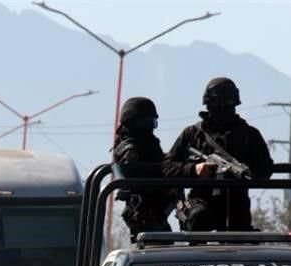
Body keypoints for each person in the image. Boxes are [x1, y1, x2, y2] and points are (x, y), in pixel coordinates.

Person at [163, 77, 273, 231]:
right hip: (200, 203)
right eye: (217, 103)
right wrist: (194, 170)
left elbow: (265, 169)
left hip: (236, 206)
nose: (222, 107)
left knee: (239, 239)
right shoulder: (193, 134)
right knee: (199, 219)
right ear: (208, 104)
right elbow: (168, 167)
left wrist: (247, 171)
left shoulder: (249, 135)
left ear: (234, 104)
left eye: (227, 103)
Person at [112, 97, 176, 239]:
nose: (151, 127)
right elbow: (135, 171)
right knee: (158, 245)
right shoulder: (130, 149)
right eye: (148, 122)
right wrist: (169, 168)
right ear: (135, 122)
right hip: (144, 212)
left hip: (155, 209)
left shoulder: (147, 144)